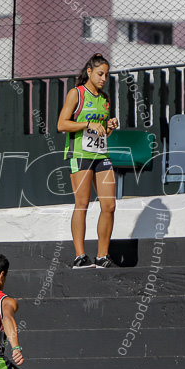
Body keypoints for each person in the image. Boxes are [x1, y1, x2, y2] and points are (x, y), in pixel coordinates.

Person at [57, 53, 120, 269]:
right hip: (80, 154)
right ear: (90, 72)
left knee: (109, 205)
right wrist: (86, 124)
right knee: (82, 204)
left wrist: (109, 127)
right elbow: (62, 125)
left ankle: (102, 256)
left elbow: (102, 133)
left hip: (101, 154)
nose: (104, 78)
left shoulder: (105, 99)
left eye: (107, 75)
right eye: (100, 74)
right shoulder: (76, 94)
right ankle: (80, 256)